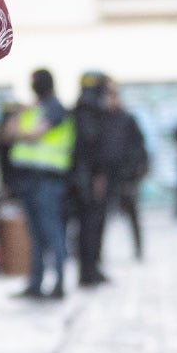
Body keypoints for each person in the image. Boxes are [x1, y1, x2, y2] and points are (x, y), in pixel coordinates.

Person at [8, 68, 74, 299]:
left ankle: (59, 283)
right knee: (35, 234)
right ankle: (35, 284)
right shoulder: (33, 110)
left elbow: (32, 135)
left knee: (52, 232)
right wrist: (18, 115)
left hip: (48, 181)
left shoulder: (55, 109)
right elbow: (9, 133)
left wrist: (20, 127)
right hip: (29, 179)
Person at [70, 72, 113, 287]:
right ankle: (89, 271)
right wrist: (98, 174)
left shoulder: (82, 107)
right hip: (87, 178)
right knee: (91, 226)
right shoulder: (91, 109)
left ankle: (90, 269)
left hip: (83, 176)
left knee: (89, 226)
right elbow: (92, 143)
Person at [102, 83, 149, 260]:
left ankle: (138, 250)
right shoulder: (102, 119)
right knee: (104, 216)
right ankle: (99, 254)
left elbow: (139, 146)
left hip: (127, 176)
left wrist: (138, 171)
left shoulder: (127, 119)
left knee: (132, 214)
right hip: (108, 176)